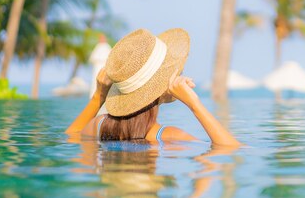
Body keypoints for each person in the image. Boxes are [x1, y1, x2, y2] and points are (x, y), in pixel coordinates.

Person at [66, 28, 240, 147]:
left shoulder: (99, 125)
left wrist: (98, 96)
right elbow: (231, 150)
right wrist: (195, 105)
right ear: (157, 87)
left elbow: (71, 136)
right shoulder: (170, 137)